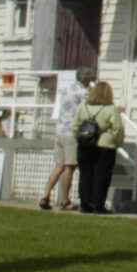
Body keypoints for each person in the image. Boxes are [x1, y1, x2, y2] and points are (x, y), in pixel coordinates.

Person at [39, 65, 88, 211]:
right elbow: (89, 108)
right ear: (86, 78)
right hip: (71, 132)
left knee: (59, 166)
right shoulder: (82, 92)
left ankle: (46, 194)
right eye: (91, 79)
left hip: (59, 130)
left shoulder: (66, 88)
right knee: (70, 167)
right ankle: (65, 200)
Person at [74, 80, 124, 214]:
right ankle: (98, 205)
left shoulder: (83, 106)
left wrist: (79, 139)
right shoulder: (111, 109)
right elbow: (117, 128)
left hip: (85, 144)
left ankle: (85, 204)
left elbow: (75, 126)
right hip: (105, 146)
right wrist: (116, 142)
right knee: (101, 176)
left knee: (85, 175)